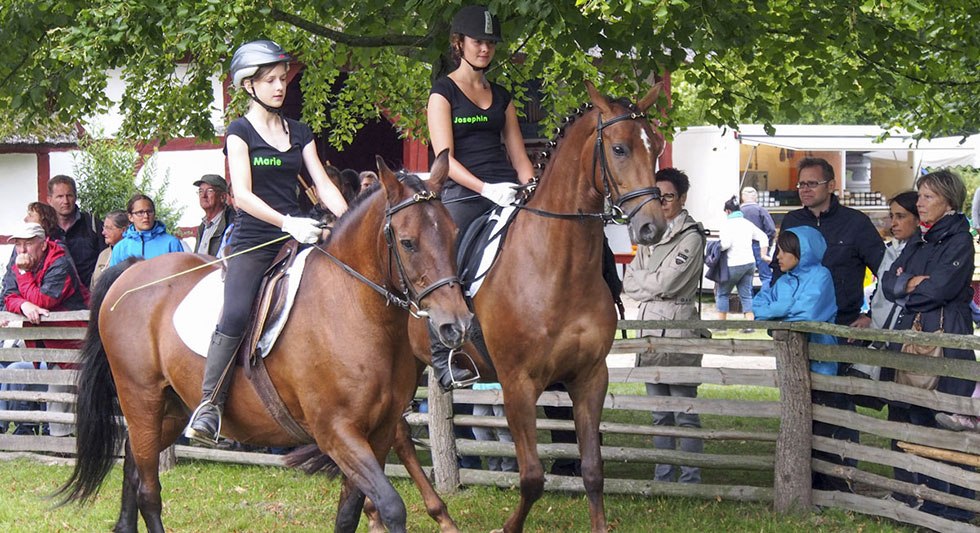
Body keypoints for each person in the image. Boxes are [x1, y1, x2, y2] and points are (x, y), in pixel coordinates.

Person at [184, 40, 347, 445]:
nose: (279, 87)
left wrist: (349, 221)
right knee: (236, 312)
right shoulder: (239, 132)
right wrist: (287, 222)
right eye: (270, 80)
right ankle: (210, 405)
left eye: (282, 79)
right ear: (248, 85)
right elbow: (241, 195)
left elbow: (323, 184)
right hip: (256, 240)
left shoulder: (300, 132)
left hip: (301, 235)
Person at [426, 4, 534, 390]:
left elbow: (519, 156)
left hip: (506, 191)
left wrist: (530, 186)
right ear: (459, 44)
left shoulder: (503, 96)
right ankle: (442, 354)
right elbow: (445, 159)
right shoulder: (443, 93)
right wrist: (485, 189)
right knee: (444, 265)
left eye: (490, 43)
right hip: (463, 195)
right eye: (477, 41)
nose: (485, 48)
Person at [772, 157, 885, 485]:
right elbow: (778, 270)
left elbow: (887, 273)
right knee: (801, 403)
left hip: (841, 330)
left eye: (812, 183)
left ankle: (841, 480)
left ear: (831, 185)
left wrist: (870, 315)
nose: (805, 190)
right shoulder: (793, 221)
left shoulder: (856, 224)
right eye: (801, 184)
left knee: (839, 405)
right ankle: (804, 480)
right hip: (800, 331)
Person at [881, 169, 975, 521]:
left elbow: (939, 290)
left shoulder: (959, 241)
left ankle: (954, 508)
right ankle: (925, 501)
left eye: (927, 197)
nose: (919, 203)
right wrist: (910, 284)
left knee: (944, 422)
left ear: (948, 201)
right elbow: (888, 283)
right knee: (914, 417)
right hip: (913, 339)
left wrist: (909, 286)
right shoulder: (920, 240)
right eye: (919, 196)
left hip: (946, 340)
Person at [623, 168, 707, 483]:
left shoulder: (691, 236)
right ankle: (664, 475)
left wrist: (647, 281)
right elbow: (628, 282)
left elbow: (669, 283)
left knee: (684, 411)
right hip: (648, 330)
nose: (662, 202)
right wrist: (652, 282)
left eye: (668, 196)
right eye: (657, 196)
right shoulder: (650, 233)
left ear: (682, 198)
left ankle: (690, 478)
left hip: (678, 329)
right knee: (659, 413)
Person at [753, 227, 846, 490]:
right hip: (792, 366)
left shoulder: (821, 276)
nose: (778, 257)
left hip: (821, 366)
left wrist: (779, 313)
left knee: (823, 428)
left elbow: (809, 314)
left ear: (801, 251)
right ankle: (804, 485)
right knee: (797, 424)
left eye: (784, 251)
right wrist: (784, 311)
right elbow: (759, 309)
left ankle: (831, 487)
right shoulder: (783, 281)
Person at [1, 222, 89, 437]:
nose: (22, 250)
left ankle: (63, 444)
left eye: (28, 244)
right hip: (45, 346)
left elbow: (44, 300)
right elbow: (9, 295)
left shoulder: (60, 262)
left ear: (42, 244)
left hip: (74, 343)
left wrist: (23, 274)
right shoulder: (18, 262)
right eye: (18, 244)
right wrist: (24, 305)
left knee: (68, 390)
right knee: (48, 386)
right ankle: (55, 442)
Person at [850, 191, 919, 379]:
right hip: (879, 329)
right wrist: (870, 316)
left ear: (918, 219)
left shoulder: (921, 254)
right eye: (891, 216)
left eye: (901, 216)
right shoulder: (889, 250)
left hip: (903, 335)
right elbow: (881, 289)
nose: (893, 223)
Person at [715, 196, 769, 325]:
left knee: (722, 294)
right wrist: (763, 254)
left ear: (728, 211)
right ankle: (750, 325)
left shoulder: (726, 225)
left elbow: (726, 244)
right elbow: (763, 236)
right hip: (749, 264)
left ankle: (721, 325)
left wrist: (716, 247)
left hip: (733, 264)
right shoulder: (747, 223)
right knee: (746, 295)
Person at [46, 175, 106, 286]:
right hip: (54, 293)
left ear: (75, 196)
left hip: (90, 292)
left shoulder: (92, 224)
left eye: (69, 195)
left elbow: (107, 258)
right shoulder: (45, 228)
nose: (65, 201)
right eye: (60, 196)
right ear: (49, 200)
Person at [109, 194, 185, 265]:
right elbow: (113, 275)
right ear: (130, 217)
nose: (146, 216)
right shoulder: (120, 248)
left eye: (149, 211)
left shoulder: (171, 243)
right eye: (140, 212)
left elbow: (182, 272)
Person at [739, 186, 776, 288]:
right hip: (760, 247)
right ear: (756, 196)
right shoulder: (761, 210)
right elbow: (771, 230)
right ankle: (766, 296)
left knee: (746, 279)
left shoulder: (738, 212)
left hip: (743, 248)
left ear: (742, 197)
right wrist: (767, 245)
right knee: (766, 276)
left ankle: (748, 298)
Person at [193, 174, 235, 256]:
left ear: (223, 197)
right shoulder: (202, 227)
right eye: (200, 191)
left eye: (209, 191)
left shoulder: (232, 221)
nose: (203, 196)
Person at [90, 210, 129, 288]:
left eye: (108, 228)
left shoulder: (131, 254)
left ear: (123, 230)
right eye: (104, 227)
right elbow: (93, 286)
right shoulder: (103, 254)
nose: (103, 232)